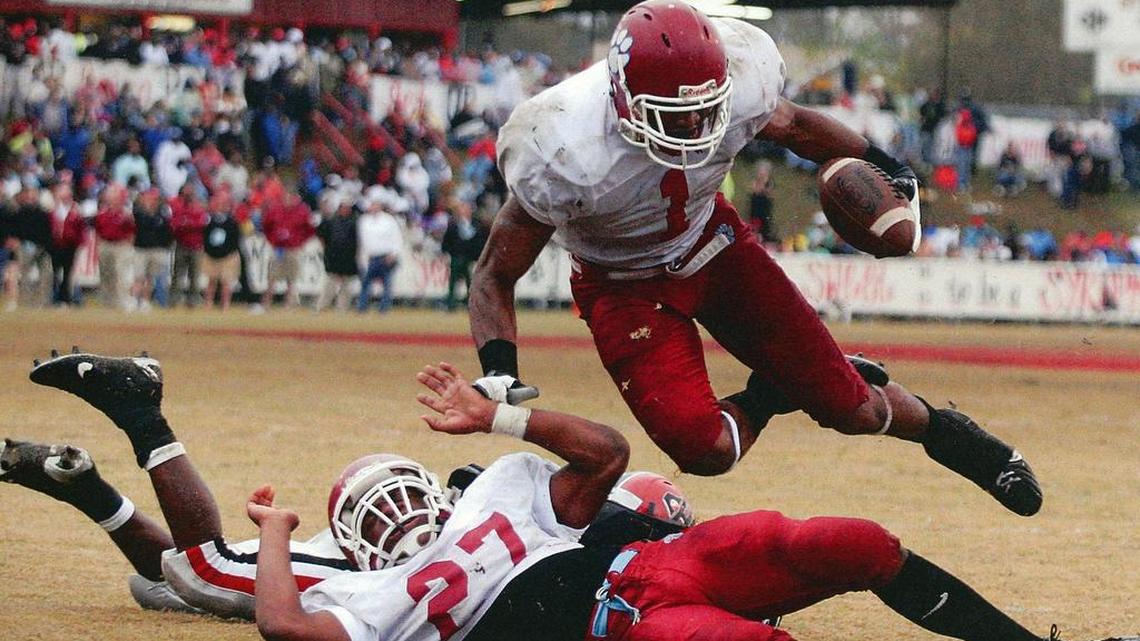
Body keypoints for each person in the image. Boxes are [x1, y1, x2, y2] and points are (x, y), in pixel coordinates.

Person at [6, 353, 1127, 641]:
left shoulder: (492, 487)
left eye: (401, 494)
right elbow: (254, 601)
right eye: (376, 514)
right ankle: (103, 472)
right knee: (188, 577)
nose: (397, 515)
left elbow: (609, 460)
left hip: (647, 562)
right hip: (614, 615)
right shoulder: (372, 589)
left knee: (856, 538)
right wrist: (275, 535)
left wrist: (496, 419)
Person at [469, 0, 1041, 518]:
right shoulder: (561, 144)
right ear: (622, 99)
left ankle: (960, 439)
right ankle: (770, 392)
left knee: (852, 408)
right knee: (705, 452)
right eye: (674, 114)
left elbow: (794, 125)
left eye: (704, 110)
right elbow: (497, 270)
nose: (694, 127)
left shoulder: (742, 78)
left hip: (716, 248)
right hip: (622, 286)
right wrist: (499, 367)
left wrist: (884, 162)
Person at [0, 349, 684, 621]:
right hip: (395, 552)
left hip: (388, 547)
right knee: (194, 572)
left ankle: (87, 484)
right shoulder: (581, 525)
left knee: (173, 578)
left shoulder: (579, 520)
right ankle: (137, 414)